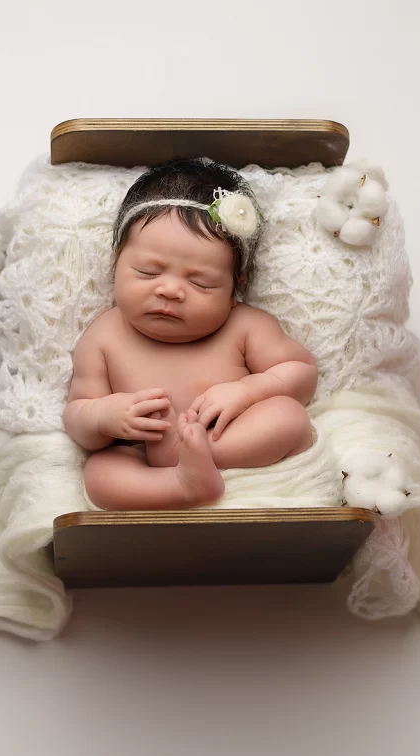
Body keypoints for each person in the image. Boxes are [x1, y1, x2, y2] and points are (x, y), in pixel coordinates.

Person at [62, 158, 317, 510]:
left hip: (228, 438)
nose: (170, 290)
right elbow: (77, 414)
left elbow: (301, 373)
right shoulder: (104, 336)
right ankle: (182, 484)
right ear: (116, 261)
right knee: (100, 473)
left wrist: (245, 391)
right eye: (148, 272)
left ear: (234, 285)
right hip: (145, 455)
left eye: (200, 282)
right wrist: (105, 416)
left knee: (289, 417)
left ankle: (199, 459)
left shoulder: (244, 326)